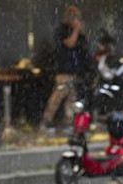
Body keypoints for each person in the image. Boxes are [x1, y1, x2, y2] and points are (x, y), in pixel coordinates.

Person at [41, 4, 91, 132]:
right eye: (74, 17)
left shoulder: (79, 34)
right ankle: (46, 121)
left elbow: (83, 47)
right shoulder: (62, 31)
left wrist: (81, 31)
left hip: (75, 71)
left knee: (71, 99)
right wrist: (75, 30)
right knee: (58, 96)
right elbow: (69, 43)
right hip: (63, 71)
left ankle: (68, 122)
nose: (76, 20)